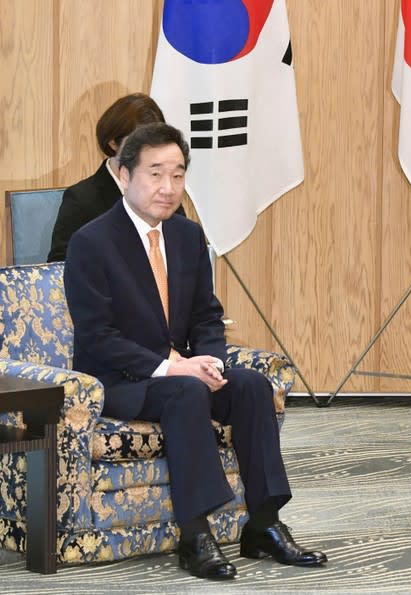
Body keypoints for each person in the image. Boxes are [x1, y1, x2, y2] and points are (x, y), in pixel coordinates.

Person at [63, 123, 326, 581]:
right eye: (155, 174)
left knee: (249, 386)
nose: (168, 188)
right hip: (118, 380)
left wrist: (212, 361)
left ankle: (264, 523)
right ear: (124, 176)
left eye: (178, 175)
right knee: (185, 391)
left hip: (181, 368)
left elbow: (207, 316)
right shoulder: (91, 242)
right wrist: (173, 367)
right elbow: (96, 336)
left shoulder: (187, 237)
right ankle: (195, 534)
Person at [48, 93, 186, 262]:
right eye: (138, 143)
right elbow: (59, 268)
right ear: (113, 143)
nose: (150, 153)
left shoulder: (166, 193)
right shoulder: (82, 199)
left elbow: (183, 259)